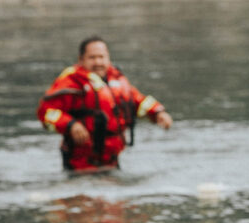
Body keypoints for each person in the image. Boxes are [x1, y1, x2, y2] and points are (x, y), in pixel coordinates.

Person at [37, 36, 173, 172]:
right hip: (80, 161)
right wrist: (71, 125)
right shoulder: (71, 81)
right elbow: (46, 112)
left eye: (102, 57)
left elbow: (136, 100)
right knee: (85, 192)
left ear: (108, 58)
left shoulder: (116, 78)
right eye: (92, 57)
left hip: (112, 158)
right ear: (81, 59)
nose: (98, 62)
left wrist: (158, 113)